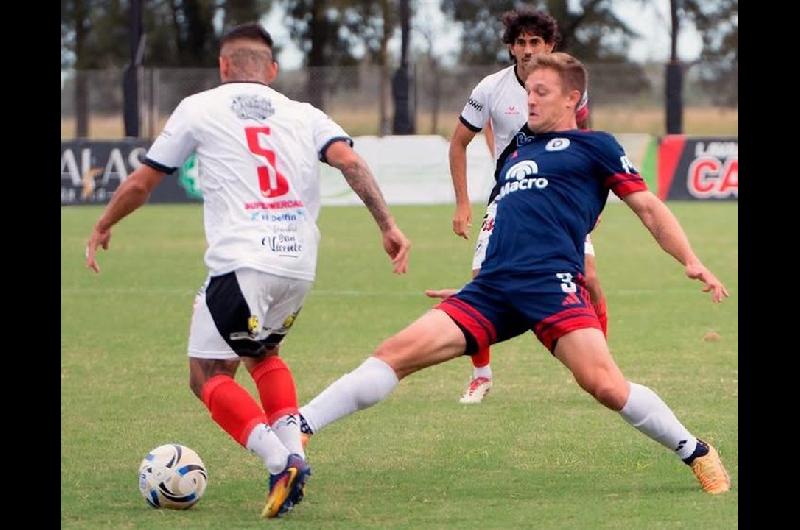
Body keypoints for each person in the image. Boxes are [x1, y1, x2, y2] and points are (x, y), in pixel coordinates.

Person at [297, 53, 731, 496]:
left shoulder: (597, 146)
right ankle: (300, 427)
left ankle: (695, 451)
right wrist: (476, 283)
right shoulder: (515, 154)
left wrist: (690, 259)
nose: (530, 101)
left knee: (605, 385)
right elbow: (502, 223)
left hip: (552, 284)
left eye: (541, 92)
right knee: (395, 354)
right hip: (492, 289)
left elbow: (650, 208)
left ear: (572, 98)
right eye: (527, 93)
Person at [84, 23, 411, 518]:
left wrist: (104, 223)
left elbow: (143, 181)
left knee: (207, 375)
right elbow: (351, 163)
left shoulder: (199, 107)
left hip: (242, 261)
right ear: (272, 70)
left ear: (223, 66)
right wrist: (387, 225)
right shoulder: (305, 113)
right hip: (299, 265)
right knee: (263, 354)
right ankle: (295, 455)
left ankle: (279, 462)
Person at [438, 7, 605, 404]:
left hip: (559, 201)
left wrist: (589, 203)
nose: (528, 50)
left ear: (549, 46)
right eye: (521, 43)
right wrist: (463, 204)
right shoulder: (489, 89)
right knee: (481, 280)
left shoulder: (567, 88)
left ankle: (600, 364)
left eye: (536, 42)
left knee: (591, 278)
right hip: (509, 198)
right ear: (511, 48)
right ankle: (481, 376)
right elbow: (458, 142)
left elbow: (586, 144)